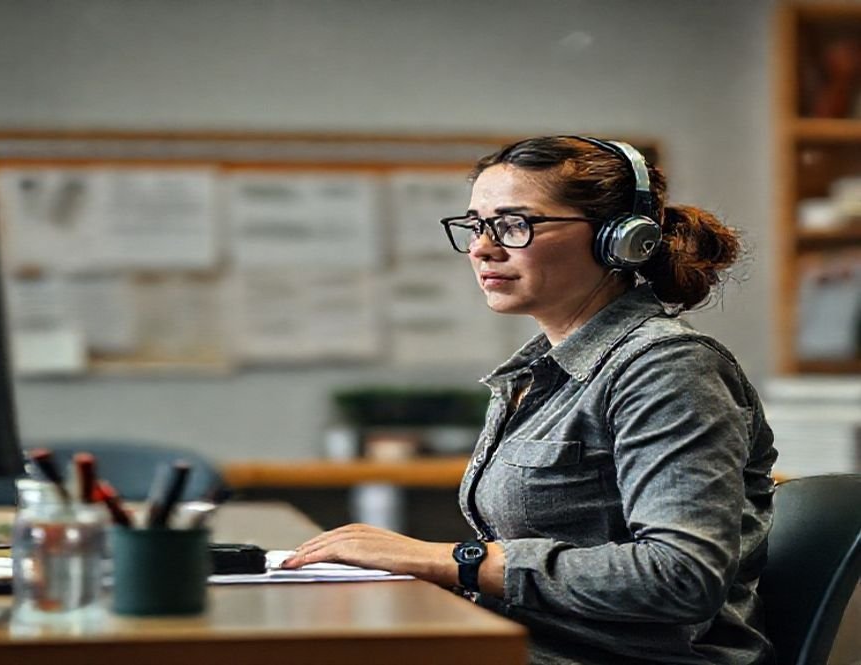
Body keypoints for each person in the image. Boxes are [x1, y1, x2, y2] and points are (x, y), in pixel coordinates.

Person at [282, 135, 778, 665]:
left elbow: (679, 576)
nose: (482, 248)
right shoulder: (541, 372)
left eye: (515, 224)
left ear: (619, 241)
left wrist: (456, 561)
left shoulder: (667, 368)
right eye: (476, 225)